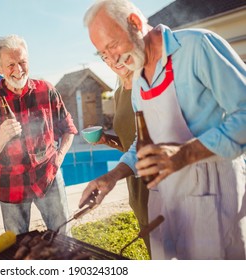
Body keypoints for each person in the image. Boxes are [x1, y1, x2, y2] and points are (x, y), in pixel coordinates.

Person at [80, 0, 246, 259]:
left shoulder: (197, 46)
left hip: (215, 196)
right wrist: (112, 177)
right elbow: (142, 142)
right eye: (103, 53)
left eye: (113, 44)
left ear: (135, 23)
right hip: (168, 201)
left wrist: (186, 153)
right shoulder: (137, 81)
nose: (112, 59)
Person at [0, 34, 78, 235]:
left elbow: (68, 129)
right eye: (11, 64)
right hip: (11, 184)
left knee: (63, 238)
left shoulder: (46, 90)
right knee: (17, 248)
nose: (18, 70)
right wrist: (2, 137)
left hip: (48, 177)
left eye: (22, 62)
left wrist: (58, 160)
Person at [95, 65, 150, 255]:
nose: (112, 60)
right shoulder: (118, 93)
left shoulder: (147, 86)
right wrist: (107, 139)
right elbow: (130, 145)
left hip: (156, 180)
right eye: (104, 57)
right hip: (134, 182)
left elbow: (150, 137)